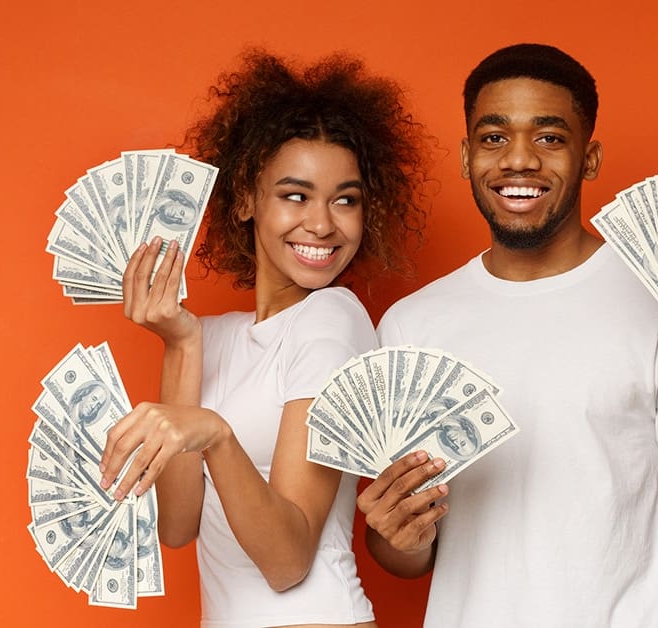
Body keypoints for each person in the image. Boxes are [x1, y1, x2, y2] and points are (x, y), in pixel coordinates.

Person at [357, 43, 658, 627]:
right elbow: (405, 560)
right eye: (494, 137)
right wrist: (396, 532)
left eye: (550, 138)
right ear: (465, 156)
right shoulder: (411, 323)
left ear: (591, 158)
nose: (519, 160)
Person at [97, 49, 429, 628]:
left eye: (345, 200)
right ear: (247, 199)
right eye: (295, 196)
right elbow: (178, 525)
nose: (323, 224)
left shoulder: (333, 321)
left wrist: (217, 436)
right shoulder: (214, 337)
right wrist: (180, 344)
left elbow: (288, 560)